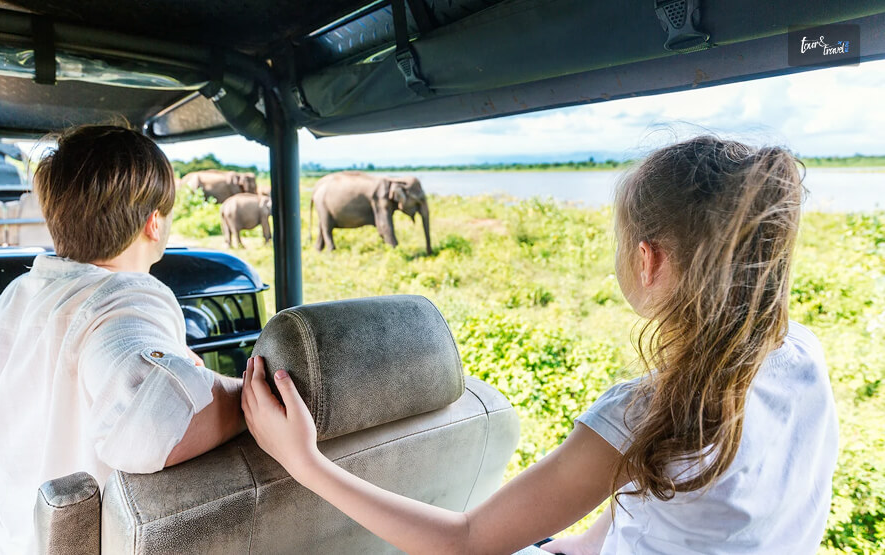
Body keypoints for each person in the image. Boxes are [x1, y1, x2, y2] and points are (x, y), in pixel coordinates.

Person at [241, 136, 838, 554]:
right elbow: (667, 512)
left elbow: (465, 542)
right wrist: (572, 546)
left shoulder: (647, 412)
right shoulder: (804, 356)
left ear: (647, 260)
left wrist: (305, 462)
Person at [0, 125, 245, 554]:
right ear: (154, 223)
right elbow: (151, 428)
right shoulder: (121, 298)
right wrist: (241, 394)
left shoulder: (17, 297)